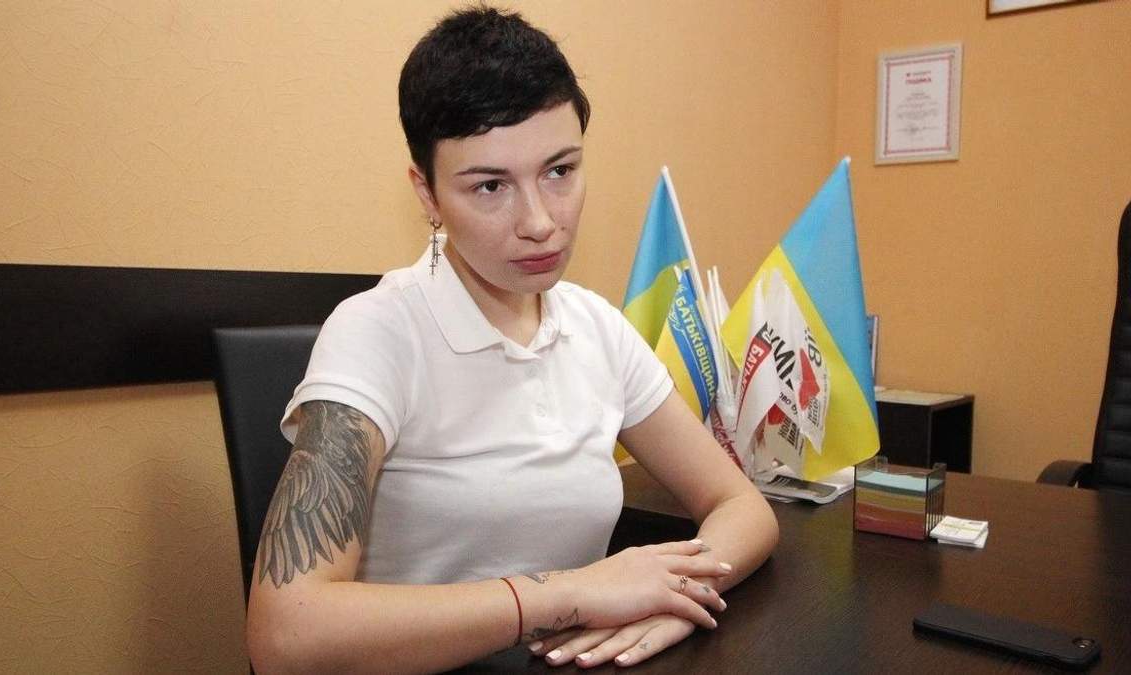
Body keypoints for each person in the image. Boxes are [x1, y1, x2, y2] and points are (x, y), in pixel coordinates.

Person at [245, 7, 778, 673]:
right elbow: (285, 633)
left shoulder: (596, 327)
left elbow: (741, 504)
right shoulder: (376, 331)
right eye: (491, 185)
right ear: (428, 193)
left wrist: (675, 596)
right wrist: (570, 595)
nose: (540, 222)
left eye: (560, 171)